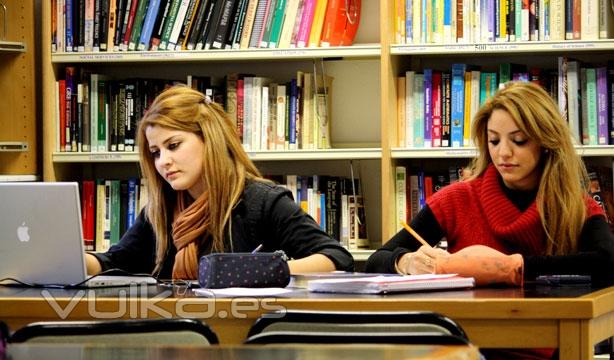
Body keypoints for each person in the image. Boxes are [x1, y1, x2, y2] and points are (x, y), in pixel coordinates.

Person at [366, 81, 614, 358]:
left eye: (519, 141)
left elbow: (607, 262)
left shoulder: (575, 206)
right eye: (494, 140)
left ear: (546, 143)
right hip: (466, 346)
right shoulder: (457, 198)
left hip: (549, 343)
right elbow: (376, 260)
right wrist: (405, 262)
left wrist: (512, 267)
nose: (503, 153)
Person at [86, 85, 353, 279]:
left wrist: (260, 269)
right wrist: (68, 261)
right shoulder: (160, 209)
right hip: (178, 331)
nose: (163, 161)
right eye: (156, 152)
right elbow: (115, 262)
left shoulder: (262, 201)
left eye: (174, 145)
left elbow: (336, 257)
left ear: (209, 140)